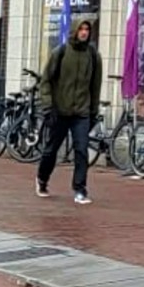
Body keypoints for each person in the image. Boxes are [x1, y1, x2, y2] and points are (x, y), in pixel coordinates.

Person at [37, 18, 104, 205]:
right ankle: (42, 179)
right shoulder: (61, 52)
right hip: (60, 110)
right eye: (81, 29)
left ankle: (80, 189)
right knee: (51, 150)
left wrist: (93, 112)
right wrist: (48, 106)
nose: (84, 32)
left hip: (81, 112)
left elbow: (95, 86)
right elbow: (46, 81)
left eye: (87, 30)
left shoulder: (93, 55)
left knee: (81, 150)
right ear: (74, 30)